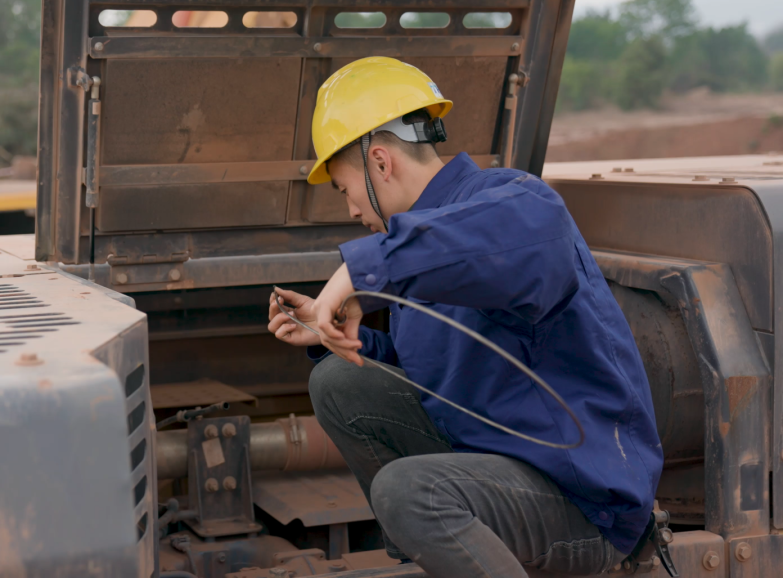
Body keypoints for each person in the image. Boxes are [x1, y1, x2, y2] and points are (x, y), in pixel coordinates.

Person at [267, 57, 662, 577]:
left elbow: (520, 236)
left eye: (345, 189)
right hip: (499, 468)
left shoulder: (513, 203)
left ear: (380, 163)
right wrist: (333, 331)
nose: (351, 212)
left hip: (582, 503)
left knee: (407, 491)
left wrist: (362, 270)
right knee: (339, 380)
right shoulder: (421, 252)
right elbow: (434, 375)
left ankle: (439, 530)